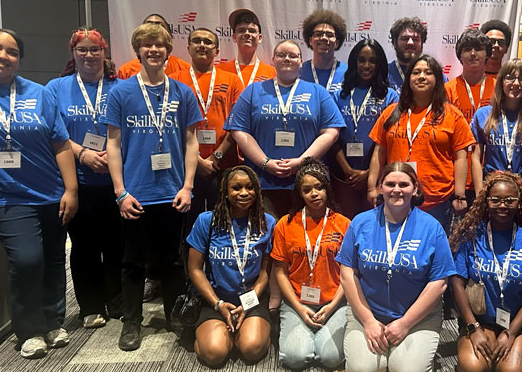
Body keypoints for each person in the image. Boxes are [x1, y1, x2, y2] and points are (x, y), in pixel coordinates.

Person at [0, 29, 78, 359]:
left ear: (19, 60)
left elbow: (60, 143)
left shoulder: (39, 93)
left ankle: (53, 321)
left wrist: (71, 189)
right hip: (4, 195)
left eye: (12, 52)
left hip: (50, 192)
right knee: (26, 258)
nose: (3, 56)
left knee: (52, 258)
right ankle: (29, 329)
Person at [101, 23, 202, 351]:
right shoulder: (120, 92)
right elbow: (112, 144)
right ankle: (132, 322)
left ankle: (174, 316)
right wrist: (120, 192)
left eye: (160, 45)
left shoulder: (183, 93)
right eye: (147, 45)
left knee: (172, 260)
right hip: (135, 193)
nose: (154, 50)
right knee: (132, 261)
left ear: (168, 50)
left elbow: (191, 142)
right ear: (138, 51)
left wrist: (187, 187)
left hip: (172, 192)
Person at [337, 162, 456, 372]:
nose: (397, 190)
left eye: (404, 184)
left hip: (417, 317)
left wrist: (405, 323)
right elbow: (347, 273)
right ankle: (386, 349)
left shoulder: (432, 228)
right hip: (370, 312)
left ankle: (398, 350)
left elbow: (439, 283)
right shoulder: (360, 222)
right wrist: (368, 320)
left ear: (416, 188)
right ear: (380, 187)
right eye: (390, 184)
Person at [449, 171, 522, 372]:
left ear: (519, 203)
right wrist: (473, 328)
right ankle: (486, 346)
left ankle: (510, 349)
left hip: (518, 323)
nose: (502, 206)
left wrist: (512, 332)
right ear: (486, 202)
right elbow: (457, 285)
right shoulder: (472, 237)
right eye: (495, 200)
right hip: (480, 320)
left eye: (509, 200)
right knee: (473, 370)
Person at [48, 27, 123, 329]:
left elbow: (131, 128)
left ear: (105, 53)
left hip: (117, 180)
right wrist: (83, 154)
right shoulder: (56, 88)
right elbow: (55, 132)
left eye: (96, 49)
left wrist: (110, 157)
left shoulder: (122, 87)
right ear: (73, 54)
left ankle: (117, 302)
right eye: (83, 50)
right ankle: (90, 306)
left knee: (117, 245)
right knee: (84, 246)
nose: (89, 55)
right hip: (77, 181)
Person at [225, 39, 345, 219]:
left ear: (301, 61)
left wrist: (302, 162)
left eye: (293, 55)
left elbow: (331, 132)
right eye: (281, 55)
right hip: (261, 182)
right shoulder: (253, 91)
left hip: (308, 183)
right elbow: (239, 131)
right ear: (272, 59)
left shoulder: (318, 92)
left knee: (304, 238)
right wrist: (266, 163)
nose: (287, 59)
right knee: (266, 237)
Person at [368, 54, 475, 234]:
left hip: (438, 201)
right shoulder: (391, 113)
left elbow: (461, 157)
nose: (422, 76)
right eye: (416, 72)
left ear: (438, 79)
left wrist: (460, 194)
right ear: (409, 78)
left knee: (432, 252)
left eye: (428, 72)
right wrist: (372, 187)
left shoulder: (452, 115)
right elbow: (379, 152)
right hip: (396, 197)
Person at [185, 166, 274, 367]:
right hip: (215, 300)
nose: (244, 193)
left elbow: (264, 274)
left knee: (252, 349)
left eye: (250, 187)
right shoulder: (206, 221)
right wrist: (217, 304)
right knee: (214, 354)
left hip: (251, 299)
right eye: (236, 188)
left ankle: (247, 334)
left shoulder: (266, 222)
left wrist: (248, 304)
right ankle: (215, 334)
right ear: (225, 192)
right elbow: (195, 269)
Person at [271, 158, 350, 369]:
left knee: (332, 359)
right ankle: (309, 336)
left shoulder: (343, 224)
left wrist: (332, 306)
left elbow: (348, 274)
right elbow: (280, 272)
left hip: (334, 301)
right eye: (307, 190)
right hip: (297, 301)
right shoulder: (285, 224)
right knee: (294, 359)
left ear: (328, 189)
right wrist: (298, 307)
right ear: (300, 193)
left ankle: (318, 338)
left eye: (319, 187)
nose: (314, 194)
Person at [171, 28, 244, 239]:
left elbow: (237, 124)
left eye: (208, 42)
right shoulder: (174, 80)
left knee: (222, 225)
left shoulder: (232, 81)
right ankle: (188, 271)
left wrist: (215, 157)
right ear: (188, 48)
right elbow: (171, 126)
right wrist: (197, 160)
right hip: (185, 168)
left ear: (217, 50)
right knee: (188, 227)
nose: (202, 45)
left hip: (223, 166)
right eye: (197, 41)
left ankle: (217, 271)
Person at [471, 59, 522, 208]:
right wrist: (479, 194)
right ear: (501, 81)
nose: (516, 83)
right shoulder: (483, 115)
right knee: (491, 231)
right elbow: (476, 157)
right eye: (510, 77)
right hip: (492, 185)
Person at [331, 38, 399, 218]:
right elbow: (331, 136)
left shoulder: (390, 96)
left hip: (378, 177)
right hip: (343, 176)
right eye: (361, 60)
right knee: (345, 224)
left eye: (372, 61)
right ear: (354, 62)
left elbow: (390, 141)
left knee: (373, 225)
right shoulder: (340, 95)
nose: (366, 65)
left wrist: (370, 173)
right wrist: (348, 171)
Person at [446, 29, 496, 204]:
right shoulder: (448, 90)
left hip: (491, 172)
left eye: (478, 48)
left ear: (487, 54)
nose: (473, 54)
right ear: (460, 56)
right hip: (457, 176)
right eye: (467, 49)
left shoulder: (499, 89)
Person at [116, 14, 190, 79]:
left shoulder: (185, 68)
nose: (154, 30)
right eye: (149, 26)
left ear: (169, 37)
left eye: (159, 26)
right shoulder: (126, 70)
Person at [217, 8, 276, 86]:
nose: (247, 34)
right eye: (241, 30)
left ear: (260, 38)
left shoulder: (272, 72)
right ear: (234, 37)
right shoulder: (219, 70)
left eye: (252, 31)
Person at [300, 10, 348, 95]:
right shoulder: (299, 71)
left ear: (337, 43)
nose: (324, 38)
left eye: (329, 35)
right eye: (318, 34)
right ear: (310, 40)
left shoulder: (347, 73)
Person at [387, 17, 427, 89]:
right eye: (405, 39)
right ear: (394, 42)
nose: (410, 43)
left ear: (422, 42)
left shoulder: (434, 74)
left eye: (415, 39)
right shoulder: (383, 74)